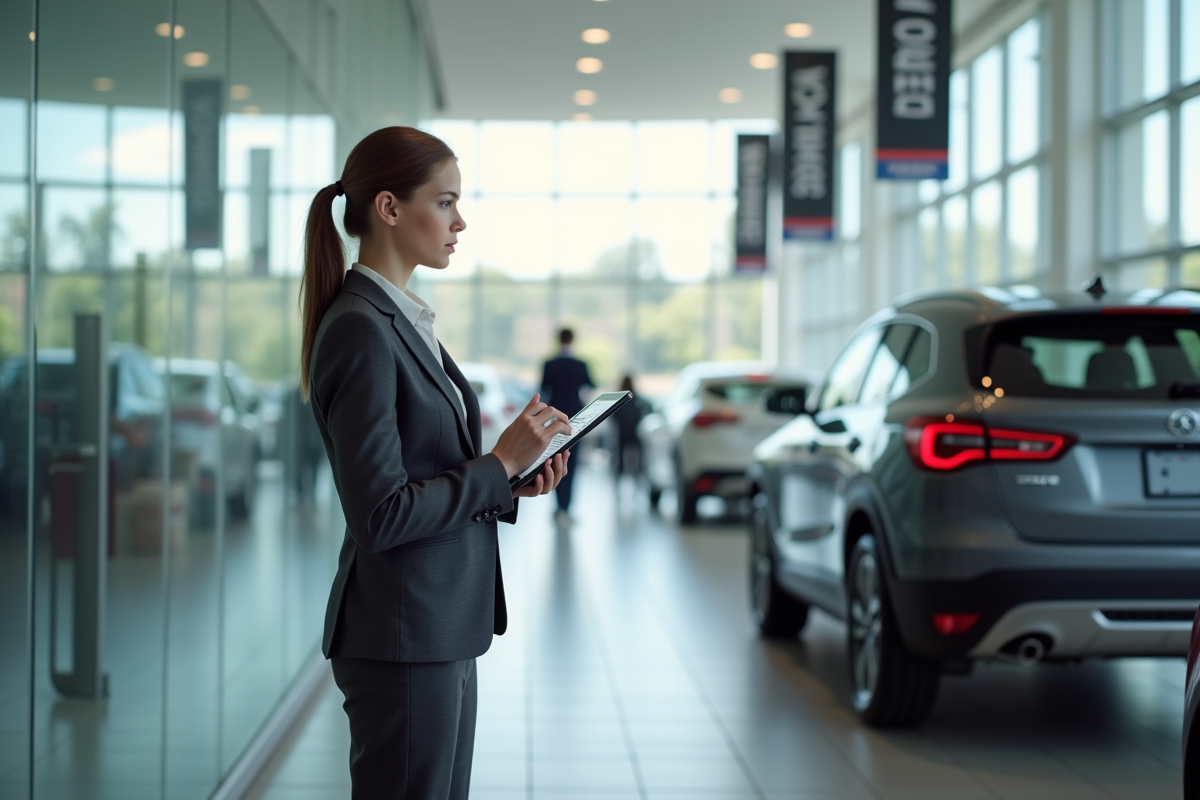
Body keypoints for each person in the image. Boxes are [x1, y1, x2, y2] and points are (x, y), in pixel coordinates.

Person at [300, 126, 573, 800]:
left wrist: (511, 479)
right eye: (445, 202)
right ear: (390, 208)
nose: (460, 221)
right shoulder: (361, 328)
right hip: (403, 635)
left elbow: (424, 470)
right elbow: (381, 514)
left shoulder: (400, 320)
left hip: (437, 626)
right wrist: (496, 465)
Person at [540, 328, 593, 518]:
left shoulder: (549, 364)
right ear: (573, 340)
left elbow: (543, 389)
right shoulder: (580, 364)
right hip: (575, 419)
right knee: (572, 461)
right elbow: (590, 386)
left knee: (555, 460)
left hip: (555, 418)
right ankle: (566, 507)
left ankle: (558, 506)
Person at [611, 374, 650, 480]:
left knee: (620, 454)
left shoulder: (619, 400)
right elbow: (644, 411)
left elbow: (614, 416)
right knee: (637, 453)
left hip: (622, 432)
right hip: (634, 431)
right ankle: (637, 473)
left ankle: (619, 473)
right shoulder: (636, 399)